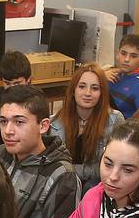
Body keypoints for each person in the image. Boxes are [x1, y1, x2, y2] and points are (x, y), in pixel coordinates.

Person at [0, 84, 78, 218]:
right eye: (3, 121)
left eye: (19, 122)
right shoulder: (0, 154)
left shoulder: (62, 175)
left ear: (43, 126)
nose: (8, 130)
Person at [52, 62, 123, 195]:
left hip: (97, 182)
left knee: (89, 188)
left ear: (102, 93)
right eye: (82, 87)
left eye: (95, 88)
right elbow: (53, 165)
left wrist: (72, 170)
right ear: (73, 90)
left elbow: (112, 166)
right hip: (64, 180)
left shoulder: (114, 120)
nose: (88, 93)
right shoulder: (55, 122)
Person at [105, 33, 139, 119]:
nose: (126, 59)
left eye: (133, 56)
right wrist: (100, 77)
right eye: (123, 53)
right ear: (117, 54)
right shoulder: (109, 74)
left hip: (124, 129)